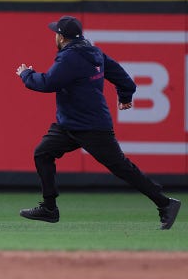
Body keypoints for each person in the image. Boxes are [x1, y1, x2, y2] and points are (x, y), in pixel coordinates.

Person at [15, 15, 181, 230]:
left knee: (122, 168)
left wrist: (26, 74)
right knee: (43, 153)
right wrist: (125, 97)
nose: (54, 36)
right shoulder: (94, 52)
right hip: (69, 125)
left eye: (56, 33)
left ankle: (165, 203)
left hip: (91, 127)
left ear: (62, 37)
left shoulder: (69, 57)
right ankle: (49, 208)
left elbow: (48, 83)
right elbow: (124, 79)